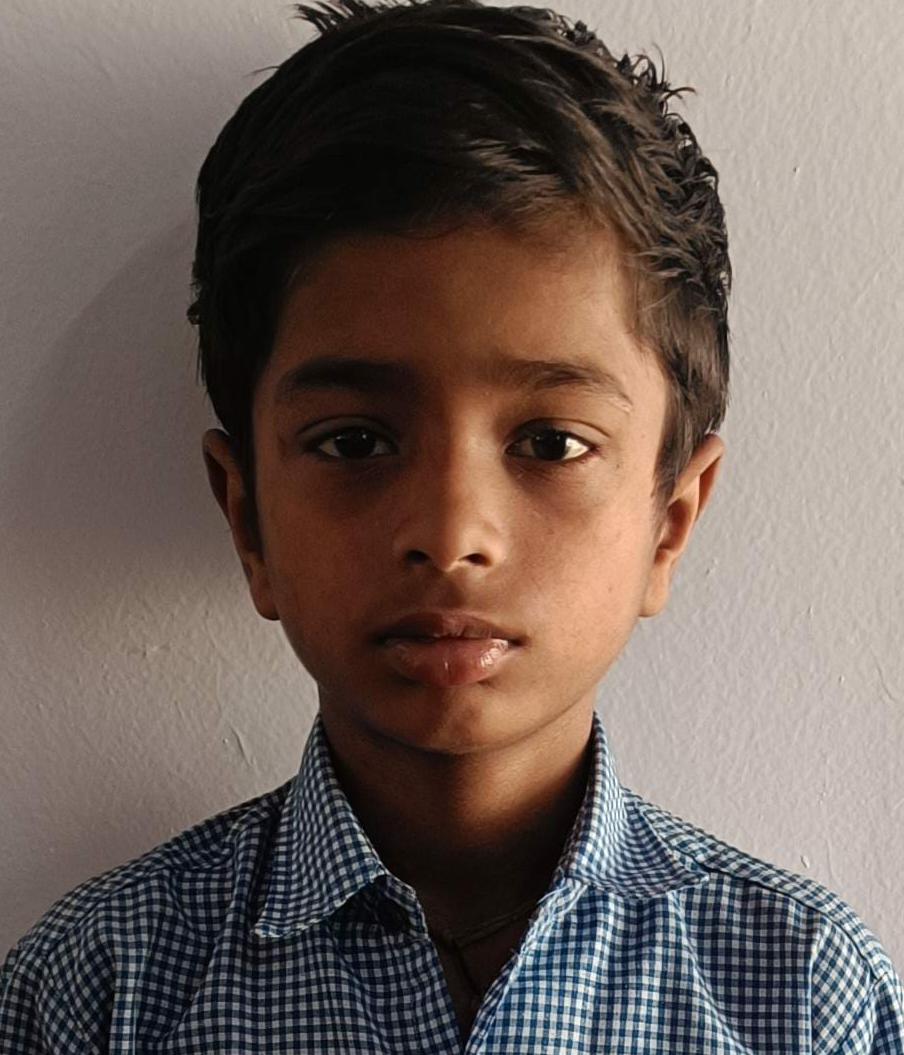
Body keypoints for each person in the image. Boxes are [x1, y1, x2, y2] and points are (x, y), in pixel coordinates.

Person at [2, 0, 903, 1050]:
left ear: (669, 522)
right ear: (248, 519)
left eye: (550, 443)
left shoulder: (802, 991)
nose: (450, 531)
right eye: (354, 441)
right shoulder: (100, 988)